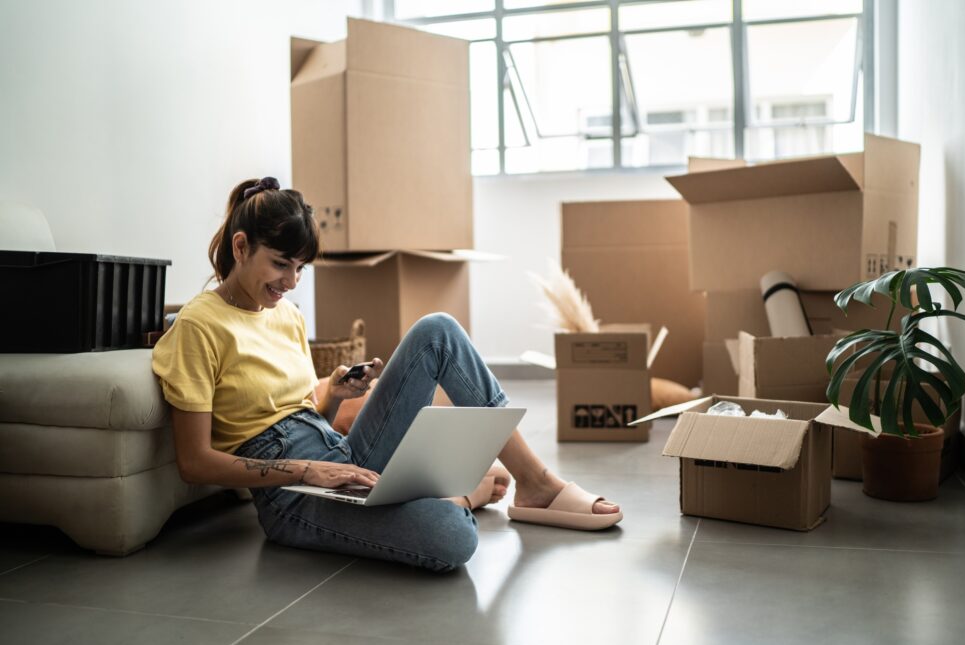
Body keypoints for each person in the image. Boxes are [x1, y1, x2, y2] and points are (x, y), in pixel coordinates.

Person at [152, 177, 622, 573]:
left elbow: (299, 410)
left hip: (338, 454)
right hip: (289, 497)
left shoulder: (285, 315)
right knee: (452, 539)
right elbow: (195, 462)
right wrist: (310, 469)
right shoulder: (198, 327)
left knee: (437, 331)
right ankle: (459, 493)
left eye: (300, 268)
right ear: (241, 246)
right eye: (280, 264)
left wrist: (334, 396)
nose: (292, 282)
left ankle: (537, 483)